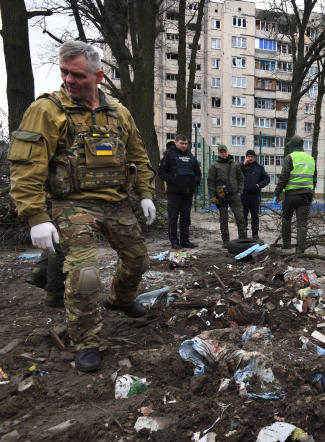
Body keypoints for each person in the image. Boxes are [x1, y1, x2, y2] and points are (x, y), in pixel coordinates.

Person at [8, 40, 156, 373]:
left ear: (98, 76)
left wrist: (145, 193)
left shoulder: (118, 113)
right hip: (73, 205)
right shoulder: (47, 111)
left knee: (138, 260)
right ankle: (86, 340)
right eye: (64, 73)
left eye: (77, 75)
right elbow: (26, 166)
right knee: (85, 273)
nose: (69, 81)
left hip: (116, 203)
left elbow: (138, 156)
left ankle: (119, 300)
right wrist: (36, 216)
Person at [274, 136, 316, 254]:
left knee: (286, 219)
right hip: (306, 196)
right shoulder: (311, 159)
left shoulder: (290, 158)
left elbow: (284, 177)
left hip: (291, 195)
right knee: (302, 223)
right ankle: (300, 249)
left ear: (293, 146)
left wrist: (277, 193)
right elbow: (315, 178)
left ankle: (286, 245)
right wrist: (311, 192)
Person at [158, 134, 201, 249]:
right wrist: (173, 180)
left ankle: (185, 241)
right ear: (176, 142)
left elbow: (198, 173)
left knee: (186, 218)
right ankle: (174, 241)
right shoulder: (169, 155)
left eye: (186, 143)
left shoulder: (190, 156)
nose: (184, 146)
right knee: (173, 217)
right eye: (182, 143)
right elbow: (161, 171)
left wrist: (194, 182)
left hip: (188, 193)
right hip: (174, 193)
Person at [207, 144, 247, 245]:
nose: (223, 153)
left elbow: (241, 179)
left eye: (225, 151)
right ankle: (225, 241)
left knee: (240, 217)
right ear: (218, 153)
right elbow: (211, 182)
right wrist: (212, 196)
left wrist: (239, 192)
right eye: (221, 152)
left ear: (227, 152)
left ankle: (242, 239)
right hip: (221, 196)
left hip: (234, 195)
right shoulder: (214, 166)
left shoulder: (235, 165)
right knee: (223, 219)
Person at [241, 149, 270, 239]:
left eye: (252, 156)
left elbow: (267, 179)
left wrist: (259, 185)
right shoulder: (241, 167)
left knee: (255, 216)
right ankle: (243, 234)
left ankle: (255, 234)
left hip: (254, 196)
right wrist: (243, 164)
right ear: (246, 157)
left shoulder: (259, 167)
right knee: (243, 216)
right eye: (248, 156)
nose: (250, 158)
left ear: (255, 157)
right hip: (243, 195)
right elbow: (234, 173)